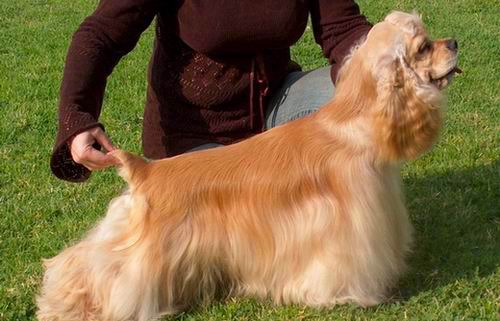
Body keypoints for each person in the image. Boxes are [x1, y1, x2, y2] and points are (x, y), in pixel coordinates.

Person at [51, 0, 372, 182]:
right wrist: (76, 116)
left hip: (278, 108)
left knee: (365, 100)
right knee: (228, 244)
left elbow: (342, 29)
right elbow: (101, 34)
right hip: (193, 133)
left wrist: (391, 58)